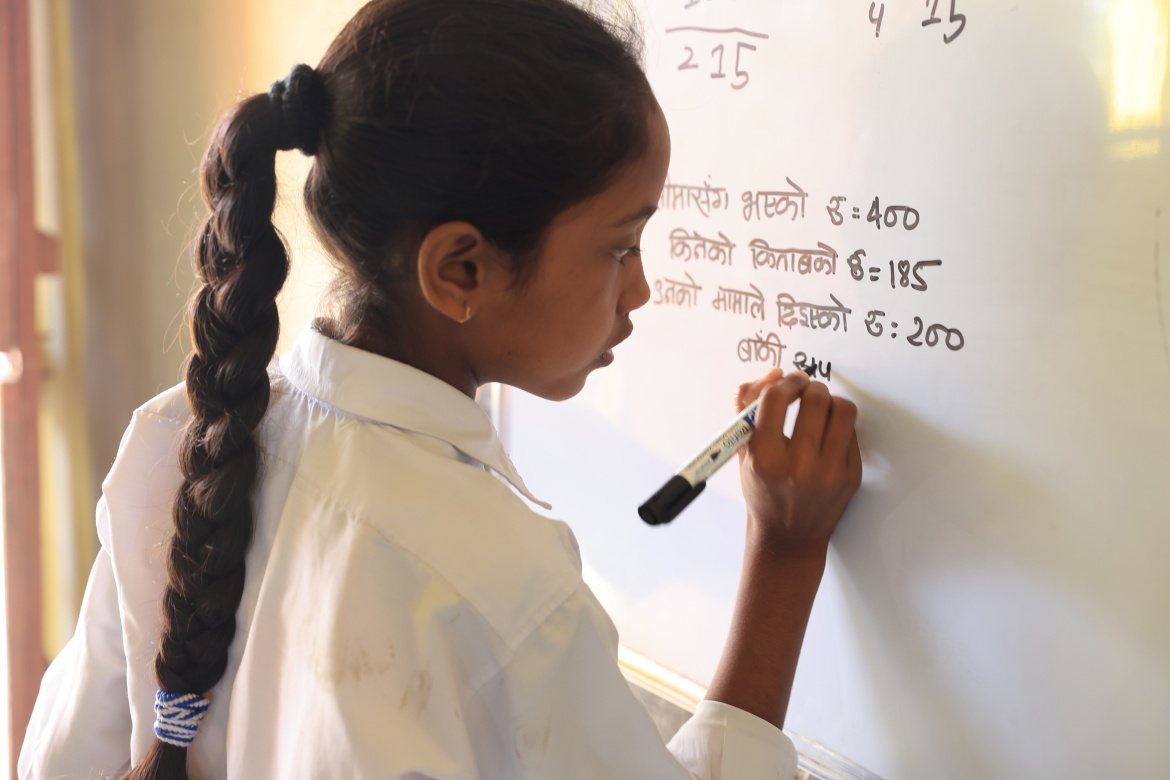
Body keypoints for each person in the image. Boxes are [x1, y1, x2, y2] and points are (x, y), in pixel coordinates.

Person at [19, 0, 862, 777]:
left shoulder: (176, 439)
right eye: (621, 246)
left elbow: (60, 760)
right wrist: (785, 558)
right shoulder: (496, 586)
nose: (639, 290)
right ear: (461, 269)